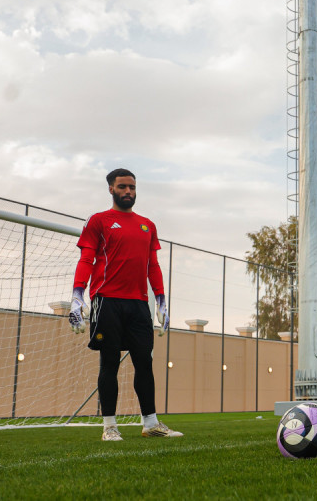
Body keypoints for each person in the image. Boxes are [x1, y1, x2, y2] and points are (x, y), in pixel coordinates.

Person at [69, 168, 182, 441]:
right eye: (122, 187)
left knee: (144, 363)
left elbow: (152, 265)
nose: (128, 191)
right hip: (106, 301)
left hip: (138, 304)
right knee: (109, 363)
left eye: (132, 187)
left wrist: (161, 300)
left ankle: (151, 424)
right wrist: (77, 295)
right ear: (111, 189)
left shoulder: (147, 225)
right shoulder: (99, 221)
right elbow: (86, 259)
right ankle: (109, 427)